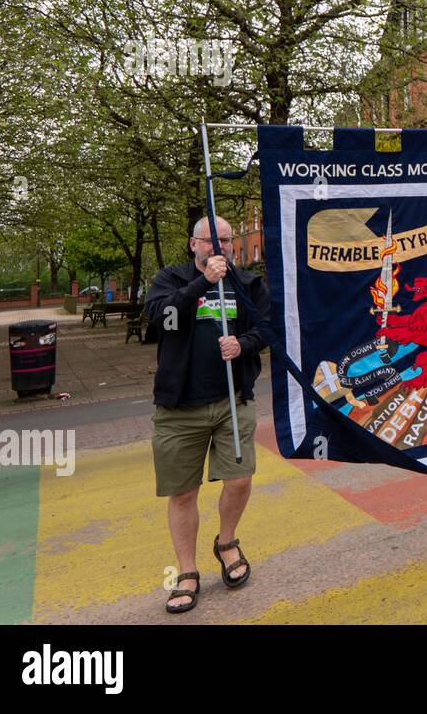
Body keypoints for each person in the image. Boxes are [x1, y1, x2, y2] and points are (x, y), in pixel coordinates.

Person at [145, 216, 269, 614]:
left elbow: (267, 328)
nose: (221, 246)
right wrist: (202, 284)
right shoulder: (171, 279)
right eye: (210, 240)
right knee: (183, 492)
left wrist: (244, 344)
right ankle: (186, 572)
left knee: (240, 480)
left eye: (227, 240)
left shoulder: (247, 284)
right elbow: (160, 321)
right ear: (192, 245)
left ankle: (227, 542)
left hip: (233, 400)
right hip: (180, 407)